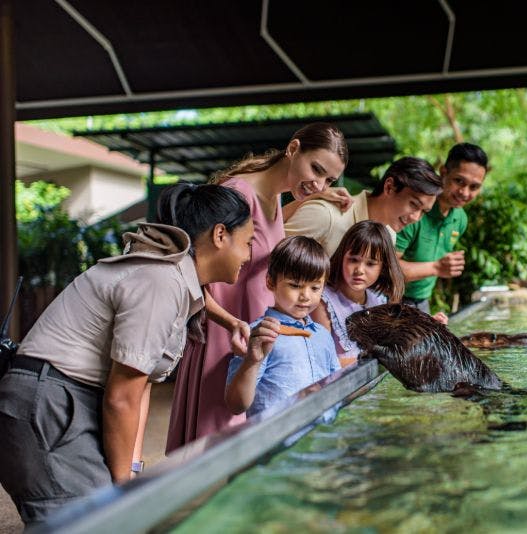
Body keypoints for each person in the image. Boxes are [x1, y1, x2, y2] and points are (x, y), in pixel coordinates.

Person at [0, 183, 254, 524]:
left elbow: (140, 384)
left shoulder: (175, 278)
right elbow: (122, 398)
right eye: (248, 242)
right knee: (98, 521)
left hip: (62, 398)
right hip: (46, 404)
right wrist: (123, 489)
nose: (249, 255)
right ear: (221, 235)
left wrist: (132, 471)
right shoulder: (161, 282)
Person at [166, 123, 349, 452]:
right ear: (293, 149)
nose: (320, 183)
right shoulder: (237, 193)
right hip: (225, 343)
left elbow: (264, 232)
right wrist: (231, 323)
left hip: (257, 342)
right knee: (214, 460)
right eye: (316, 170)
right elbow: (188, 274)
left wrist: (317, 194)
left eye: (329, 179)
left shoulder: (276, 197)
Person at [225, 236, 339, 416]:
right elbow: (236, 405)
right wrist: (252, 361)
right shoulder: (258, 335)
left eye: (315, 288)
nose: (305, 296)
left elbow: (335, 388)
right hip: (277, 439)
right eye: (295, 285)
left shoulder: (323, 336)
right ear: (270, 282)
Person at [396, 143, 489, 321]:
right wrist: (437, 267)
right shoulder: (415, 211)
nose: (464, 192)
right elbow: (386, 270)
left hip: (422, 302)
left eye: (474, 187)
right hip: (389, 299)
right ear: (444, 172)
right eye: (459, 181)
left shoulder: (460, 219)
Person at [284, 156, 443, 257]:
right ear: (389, 187)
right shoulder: (325, 215)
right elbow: (268, 261)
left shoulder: (389, 237)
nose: (416, 218)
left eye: (424, 212)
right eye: (414, 204)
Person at [311, 221, 405, 367]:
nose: (359, 270)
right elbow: (321, 363)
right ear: (342, 257)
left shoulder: (378, 300)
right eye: (353, 260)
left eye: (370, 263)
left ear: (383, 267)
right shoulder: (323, 301)